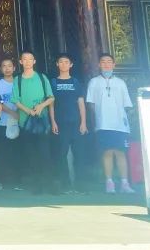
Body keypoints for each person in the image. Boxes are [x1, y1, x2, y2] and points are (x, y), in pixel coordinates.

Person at [85, 53, 135, 194]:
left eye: (109, 62)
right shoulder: (94, 82)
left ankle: (124, 183)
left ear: (114, 65)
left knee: (120, 152)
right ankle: (109, 182)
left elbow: (126, 104)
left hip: (120, 124)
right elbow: (91, 104)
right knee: (107, 152)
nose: (106, 64)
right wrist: (100, 116)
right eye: (103, 62)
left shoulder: (120, 83)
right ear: (99, 65)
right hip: (103, 124)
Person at [11, 50, 54, 193]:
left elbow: (51, 97)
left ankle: (48, 184)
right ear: (20, 62)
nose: (28, 62)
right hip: (26, 122)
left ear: (34, 61)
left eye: (30, 59)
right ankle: (36, 185)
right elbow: (15, 100)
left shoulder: (41, 77)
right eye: (25, 59)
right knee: (31, 154)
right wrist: (28, 110)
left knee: (45, 153)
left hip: (42, 121)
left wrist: (41, 106)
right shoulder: (17, 80)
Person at [50, 52, 88, 194]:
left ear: (71, 65)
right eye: (61, 62)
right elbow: (51, 104)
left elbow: (81, 103)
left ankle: (80, 185)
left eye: (66, 62)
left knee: (80, 154)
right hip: (60, 123)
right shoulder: (53, 83)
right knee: (61, 154)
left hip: (76, 122)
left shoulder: (75, 82)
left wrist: (83, 122)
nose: (64, 64)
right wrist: (53, 121)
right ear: (57, 64)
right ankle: (65, 185)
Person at [0, 56, 19, 190]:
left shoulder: (19, 82)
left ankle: (16, 180)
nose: (7, 68)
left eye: (9, 66)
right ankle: (1, 180)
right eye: (4, 66)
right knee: (2, 152)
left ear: (14, 68)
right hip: (3, 123)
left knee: (17, 151)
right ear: (1, 69)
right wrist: (12, 112)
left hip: (18, 123)